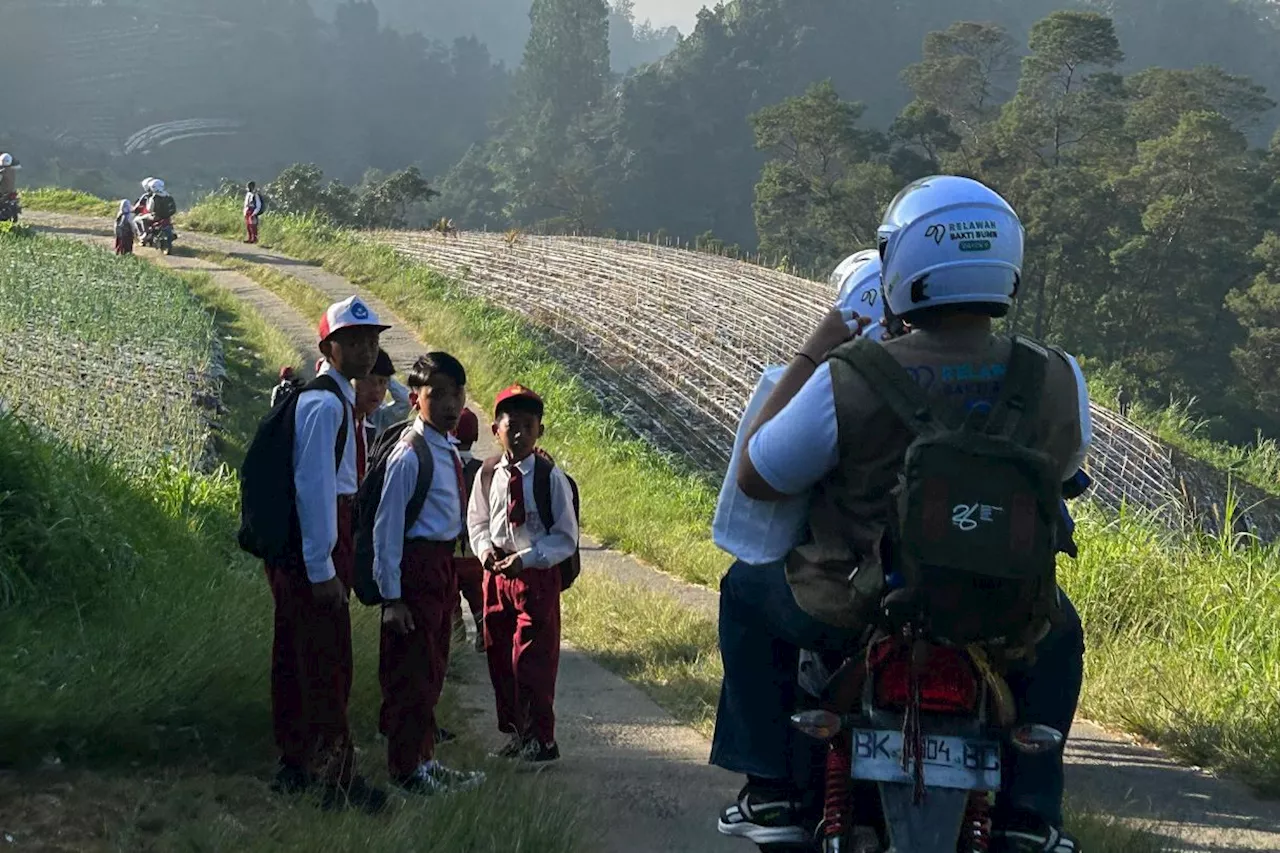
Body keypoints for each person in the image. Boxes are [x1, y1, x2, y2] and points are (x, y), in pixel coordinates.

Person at [712, 176, 1091, 853]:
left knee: (744, 591)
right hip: (1003, 609)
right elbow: (1062, 475)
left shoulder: (850, 374)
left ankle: (770, 785)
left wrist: (814, 347)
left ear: (905, 264)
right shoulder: (1056, 376)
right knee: (1061, 632)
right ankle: (1030, 809)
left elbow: (759, 473)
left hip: (854, 604)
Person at [266, 295, 389, 812]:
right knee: (325, 660)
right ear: (329, 348)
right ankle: (335, 777)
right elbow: (314, 488)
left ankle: (296, 764)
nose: (365, 349)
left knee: (299, 656)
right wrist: (322, 568)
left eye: (371, 339)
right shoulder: (325, 405)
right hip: (316, 542)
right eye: (353, 340)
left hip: (317, 540)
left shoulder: (337, 402)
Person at [373, 352, 486, 794]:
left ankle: (424, 759)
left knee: (433, 670)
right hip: (415, 571)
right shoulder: (410, 454)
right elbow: (387, 530)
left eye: (456, 393)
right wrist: (392, 598)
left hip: (440, 568)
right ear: (416, 399)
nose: (449, 403)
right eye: (436, 393)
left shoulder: (445, 448)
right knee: (410, 675)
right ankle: (405, 770)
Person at [468, 385, 579, 765]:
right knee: (500, 654)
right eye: (511, 425)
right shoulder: (488, 474)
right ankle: (516, 733)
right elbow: (477, 520)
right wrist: (484, 552)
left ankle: (542, 739)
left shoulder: (549, 478)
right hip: (497, 574)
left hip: (535, 576)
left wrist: (528, 559)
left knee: (533, 658)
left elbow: (566, 536)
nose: (519, 433)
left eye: (528, 426)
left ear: (540, 432)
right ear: (495, 429)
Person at [451, 407, 485, 652]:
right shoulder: (484, 471)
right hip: (475, 550)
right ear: (475, 437)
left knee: (450, 599)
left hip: (449, 550)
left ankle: (455, 641)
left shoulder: (446, 465)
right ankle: (486, 633)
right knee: (478, 596)